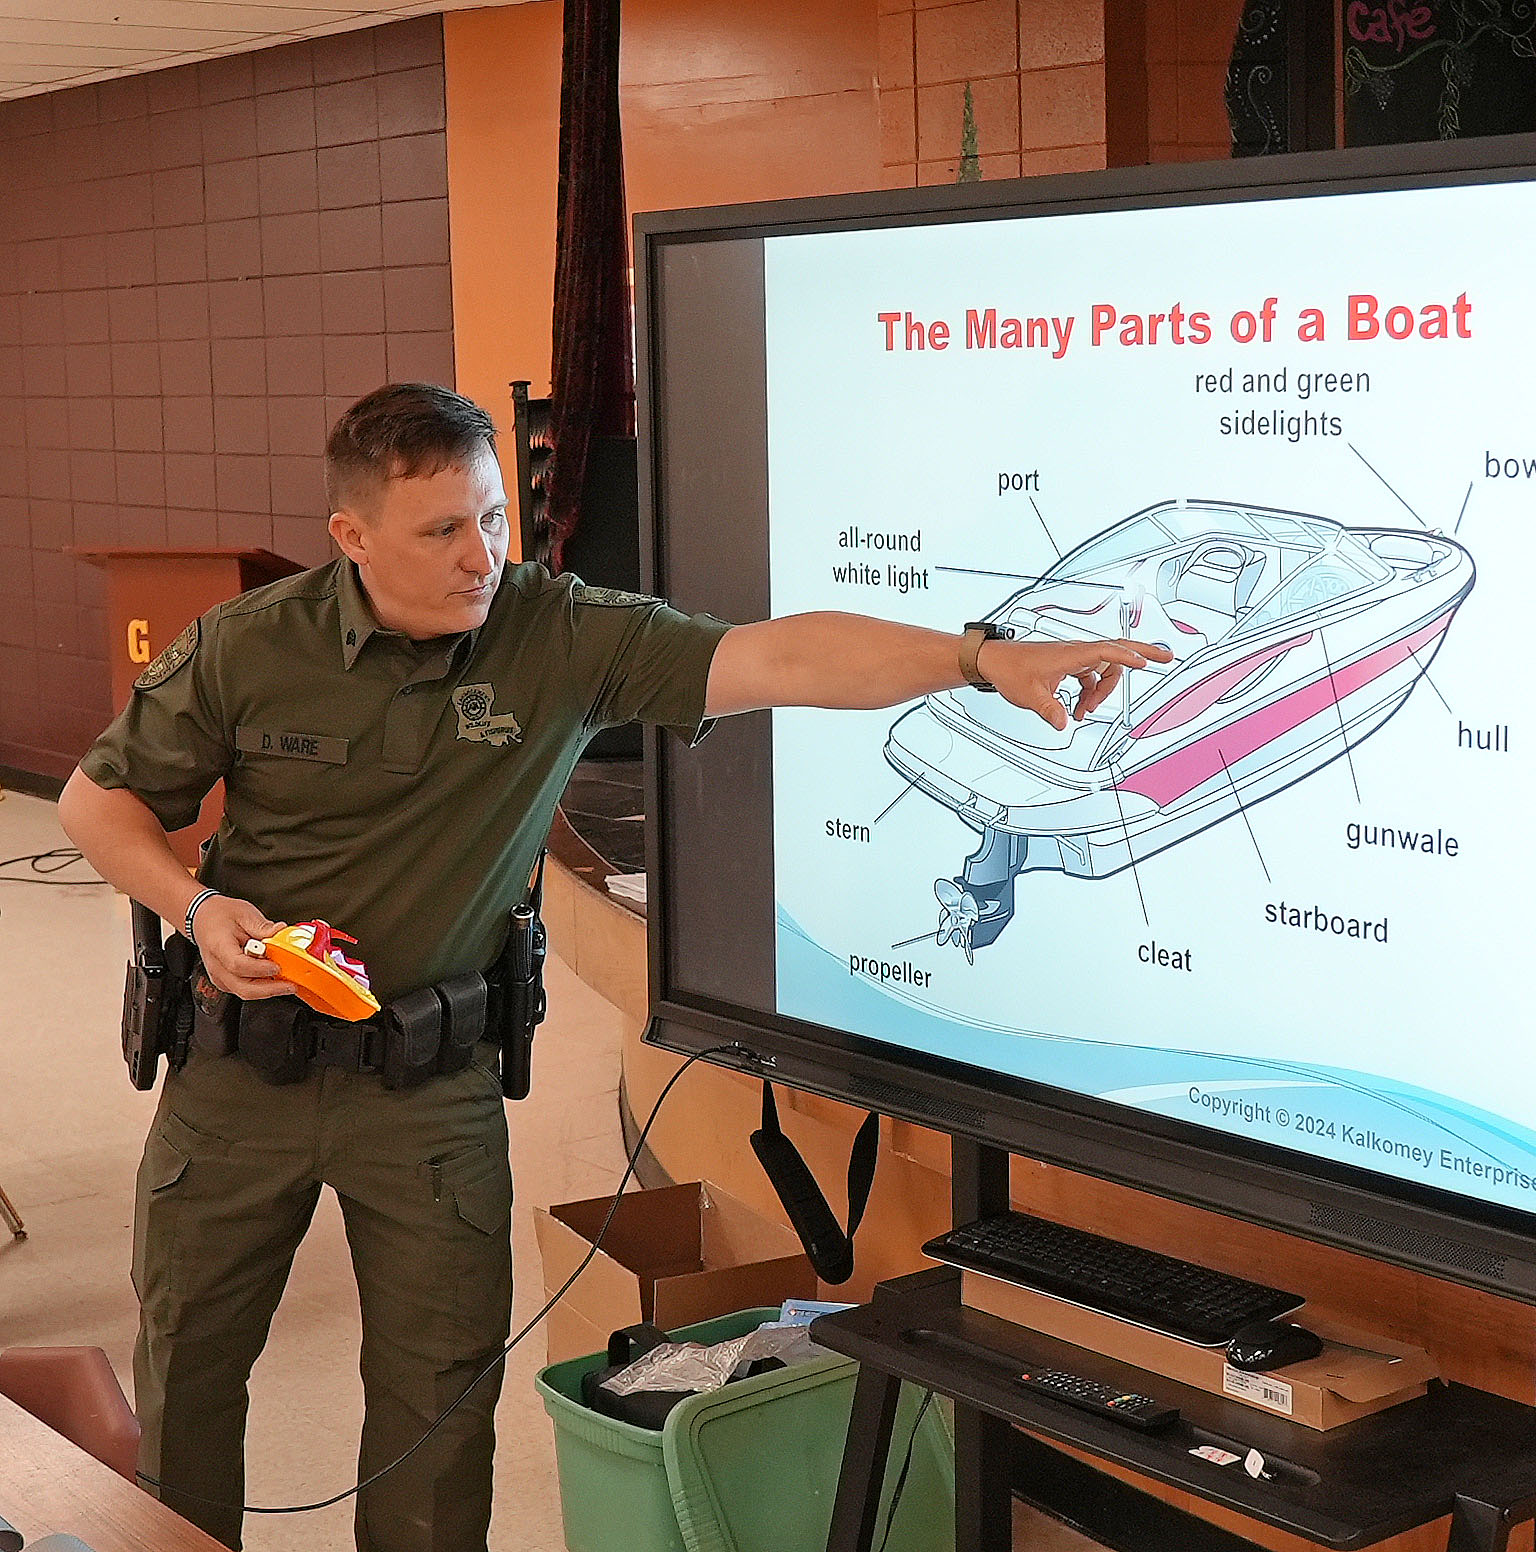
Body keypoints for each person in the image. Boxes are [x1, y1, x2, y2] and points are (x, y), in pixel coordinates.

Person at [57, 382, 1169, 1552]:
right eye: (440, 530)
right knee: (187, 1380)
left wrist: (980, 658)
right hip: (241, 1081)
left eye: (493, 518)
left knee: (436, 1419)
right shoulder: (249, 644)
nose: (479, 553)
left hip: (431, 1092)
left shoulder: (563, 634)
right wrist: (196, 906)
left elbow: (784, 654)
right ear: (352, 536)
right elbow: (99, 801)